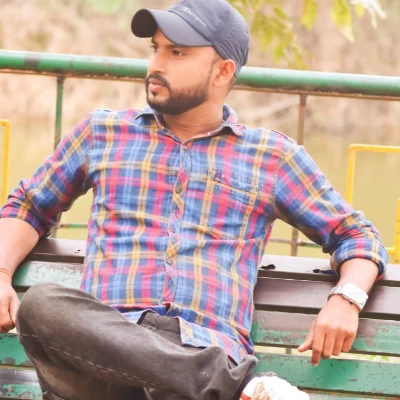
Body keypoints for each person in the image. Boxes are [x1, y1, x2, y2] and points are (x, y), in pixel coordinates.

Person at [0, 0, 387, 399]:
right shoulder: (102, 132)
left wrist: (347, 298)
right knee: (42, 305)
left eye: (178, 53)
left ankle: (212, 383)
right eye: (156, 49)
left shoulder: (271, 157)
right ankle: (242, 388)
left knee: (177, 378)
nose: (156, 65)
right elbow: (28, 206)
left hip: (199, 350)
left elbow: (356, 236)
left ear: (223, 71)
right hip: (101, 360)